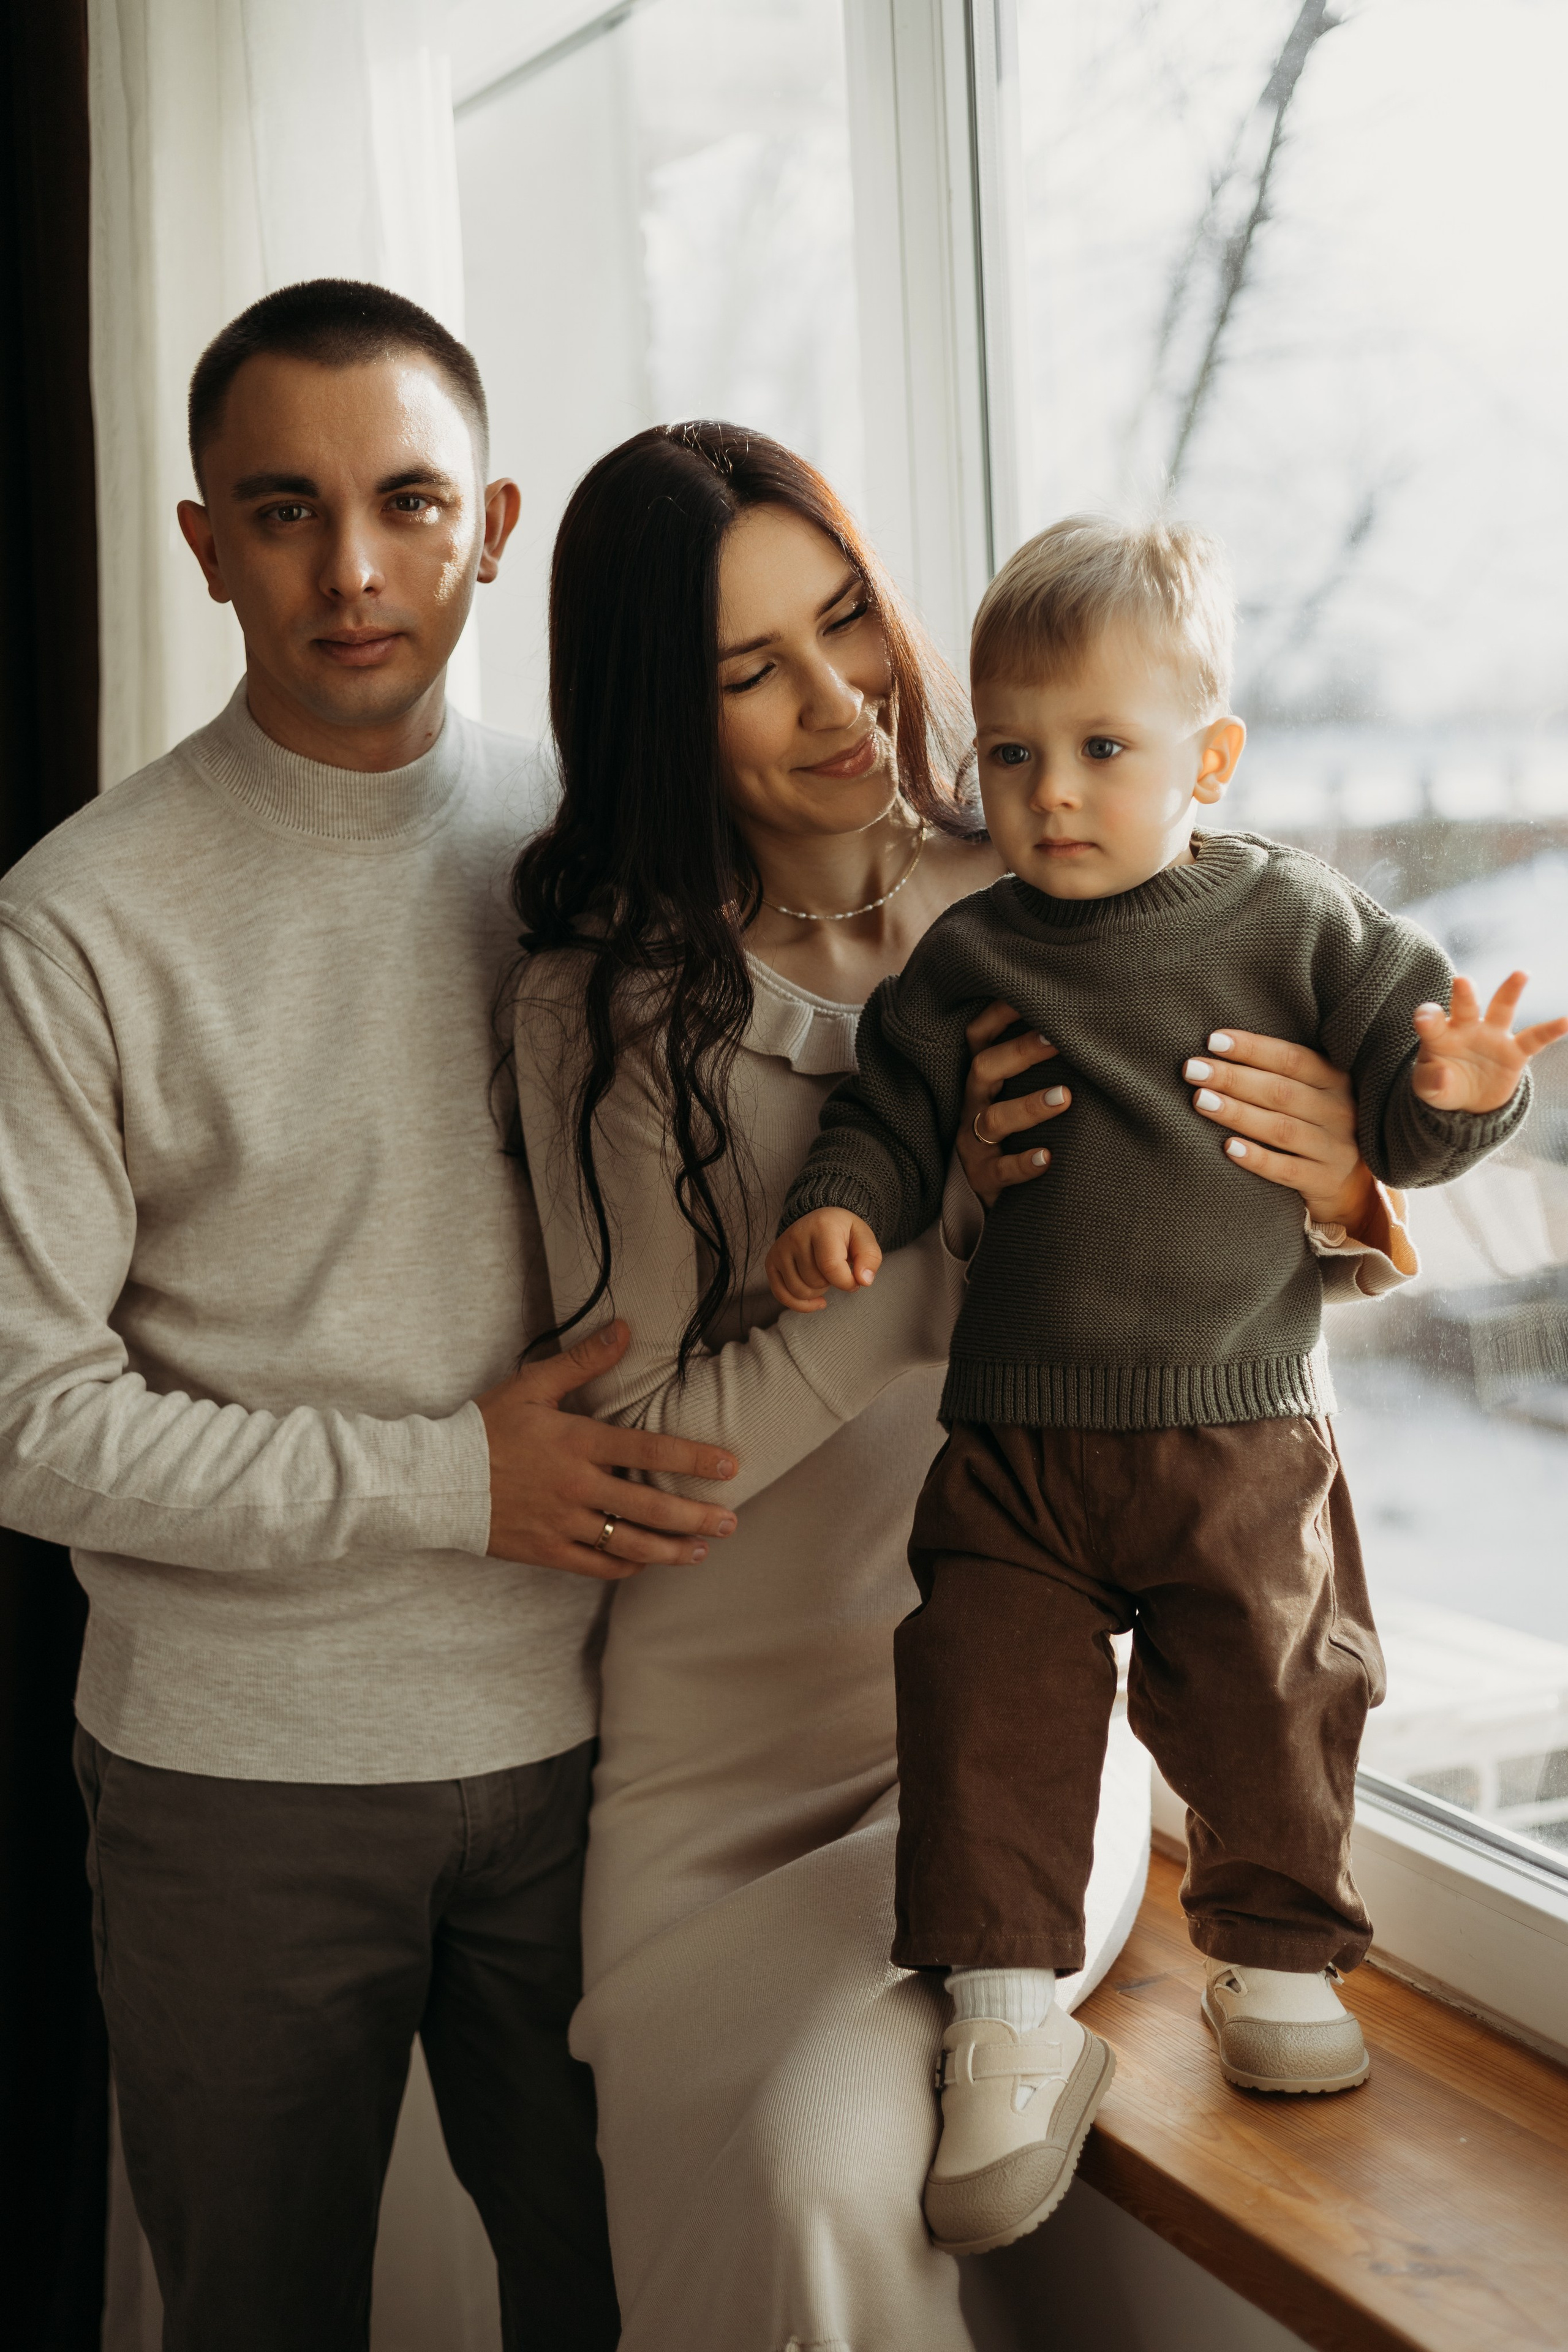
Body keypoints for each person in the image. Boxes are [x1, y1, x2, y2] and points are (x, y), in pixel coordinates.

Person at [511, 431, 1416, 2350]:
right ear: (661, 715)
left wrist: (1350, 1179)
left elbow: (1229, 1262)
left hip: (1009, 1726)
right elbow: (653, 1449)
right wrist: (932, 1267)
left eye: (847, 618)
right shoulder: (602, 1010)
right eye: (754, 669)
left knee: (824, 2160)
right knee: (768, 2185)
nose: (843, 696)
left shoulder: (1052, 874)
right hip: (718, 1753)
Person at [0, 279, 744, 2352]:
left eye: (407, 503)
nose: (351, 570)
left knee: (629, 2304)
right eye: (283, 510)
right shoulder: (78, 921)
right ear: (204, 543)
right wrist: (453, 1480)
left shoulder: (592, 845)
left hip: (623, 1737)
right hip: (237, 1782)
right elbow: (23, 1417)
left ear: (492, 524)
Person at [768, 514, 1568, 2260]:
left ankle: (1279, 1968)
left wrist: (1466, 1093)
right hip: (1018, 1453)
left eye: (1104, 752)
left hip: (1239, 1429)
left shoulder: (1300, 921)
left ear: (1208, 756)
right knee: (985, 1707)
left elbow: (1412, 1134)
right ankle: (1000, 2020)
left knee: (1279, 1689)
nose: (1053, 795)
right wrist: (844, 1206)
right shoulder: (974, 956)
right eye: (1017, 755)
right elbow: (892, 1116)